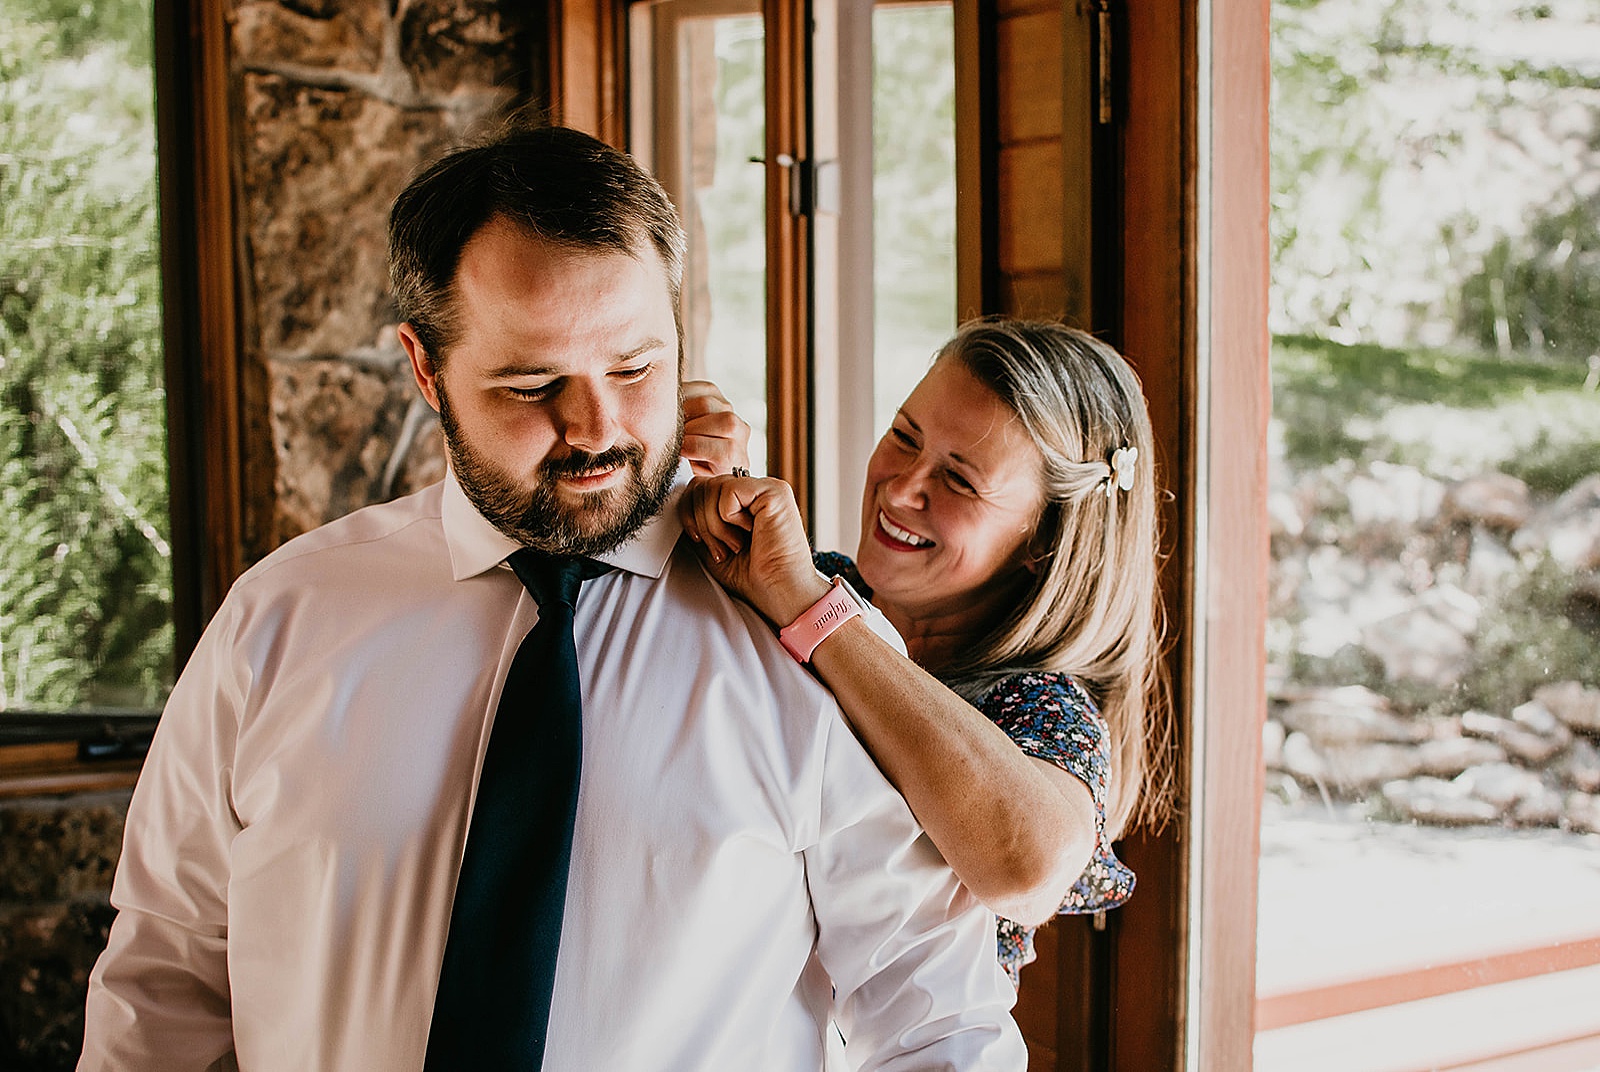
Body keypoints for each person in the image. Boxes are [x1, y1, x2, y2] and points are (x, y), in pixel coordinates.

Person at [78, 123, 1026, 1071]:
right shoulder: (277, 622)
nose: (596, 428)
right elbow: (165, 981)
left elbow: (941, 1023)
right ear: (425, 368)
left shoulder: (812, 649)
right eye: (532, 384)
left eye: (635, 367)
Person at [680, 318, 1172, 985]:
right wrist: (707, 485)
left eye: (960, 481)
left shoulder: (1042, 709)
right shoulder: (821, 582)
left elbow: (1026, 866)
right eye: (905, 436)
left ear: (1043, 543)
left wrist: (810, 608)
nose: (902, 487)